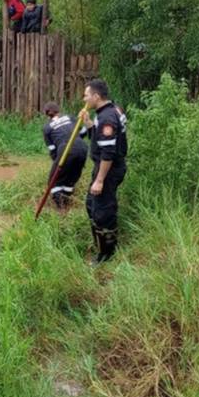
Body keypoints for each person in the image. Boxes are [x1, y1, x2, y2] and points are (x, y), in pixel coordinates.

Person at [79, 79, 128, 263]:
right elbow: (101, 140)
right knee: (92, 204)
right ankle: (101, 243)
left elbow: (108, 152)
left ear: (96, 96)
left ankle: (106, 254)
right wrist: (90, 124)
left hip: (108, 169)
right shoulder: (111, 110)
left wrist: (99, 180)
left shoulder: (107, 117)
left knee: (103, 211)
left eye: (86, 95)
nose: (84, 99)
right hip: (105, 167)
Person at [42, 101, 88, 208]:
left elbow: (52, 150)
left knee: (54, 180)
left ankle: (61, 208)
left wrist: (58, 164)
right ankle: (67, 202)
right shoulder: (70, 117)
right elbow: (83, 132)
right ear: (58, 111)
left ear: (46, 114)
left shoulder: (47, 128)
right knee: (71, 178)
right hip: (82, 148)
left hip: (66, 150)